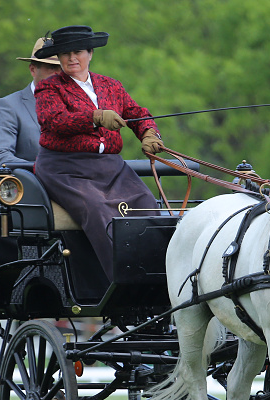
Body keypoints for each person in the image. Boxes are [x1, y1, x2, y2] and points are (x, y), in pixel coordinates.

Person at [33, 25, 165, 278]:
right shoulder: (49, 87)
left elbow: (137, 114)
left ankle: (158, 274)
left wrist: (149, 133)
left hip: (110, 167)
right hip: (65, 168)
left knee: (146, 204)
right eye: (65, 53)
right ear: (58, 58)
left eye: (78, 52)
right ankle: (122, 278)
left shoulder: (110, 85)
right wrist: (94, 117)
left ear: (90, 53)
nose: (72, 58)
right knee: (96, 209)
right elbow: (53, 121)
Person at [0, 38, 62, 170]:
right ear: (33, 70)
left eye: (61, 68)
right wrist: (43, 171)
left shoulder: (80, 104)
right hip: (33, 187)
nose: (57, 73)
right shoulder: (9, 105)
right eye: (51, 67)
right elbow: (0, 154)